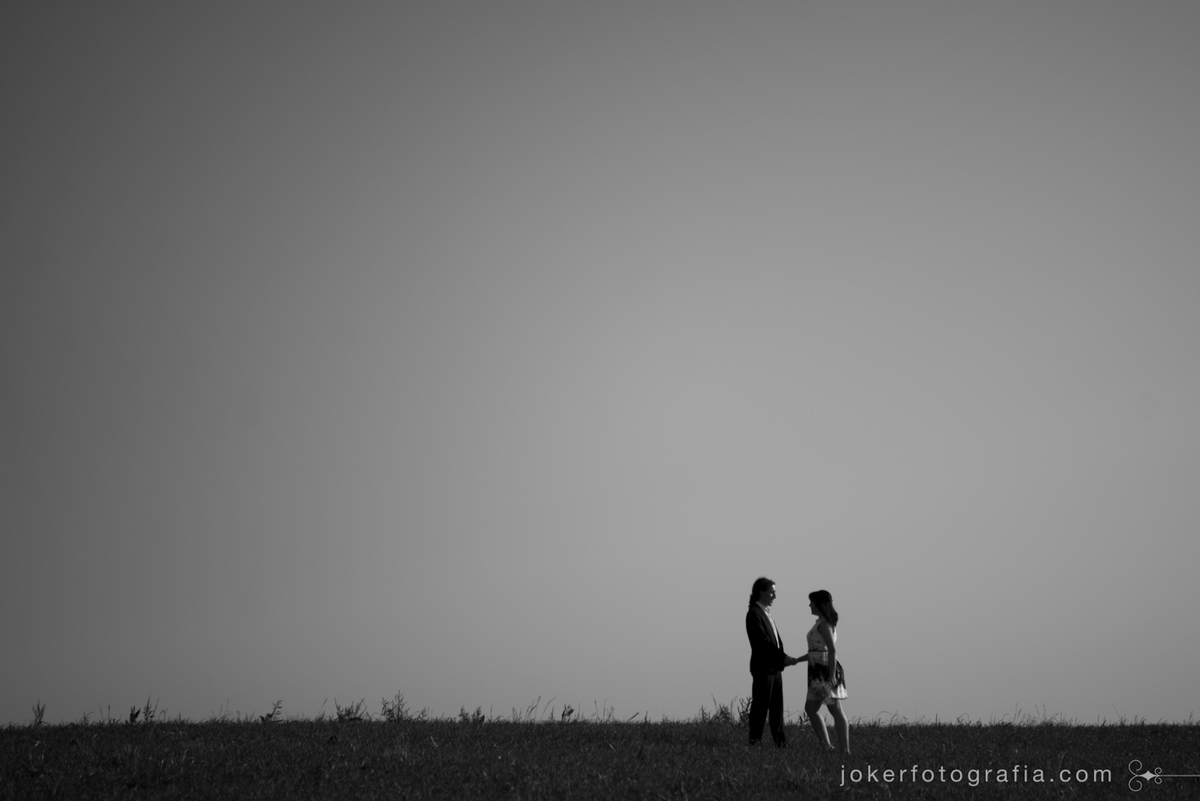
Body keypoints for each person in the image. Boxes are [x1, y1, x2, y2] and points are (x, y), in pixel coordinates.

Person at [745, 577, 802, 746]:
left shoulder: (766, 614)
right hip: (764, 668)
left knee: (777, 709)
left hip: (775, 668)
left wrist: (781, 660)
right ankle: (755, 741)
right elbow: (763, 642)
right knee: (760, 707)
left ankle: (780, 743)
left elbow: (775, 641)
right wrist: (783, 657)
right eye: (772, 592)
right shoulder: (754, 614)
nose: (774, 596)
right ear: (761, 592)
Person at [802, 589, 850, 755]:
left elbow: (831, 650)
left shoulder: (823, 625)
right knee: (833, 709)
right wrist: (796, 660)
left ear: (818, 604)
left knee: (816, 708)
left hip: (823, 670)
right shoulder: (822, 623)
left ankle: (833, 747)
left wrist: (830, 676)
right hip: (818, 668)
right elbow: (817, 650)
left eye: (812, 602)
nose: (809, 605)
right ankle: (840, 749)